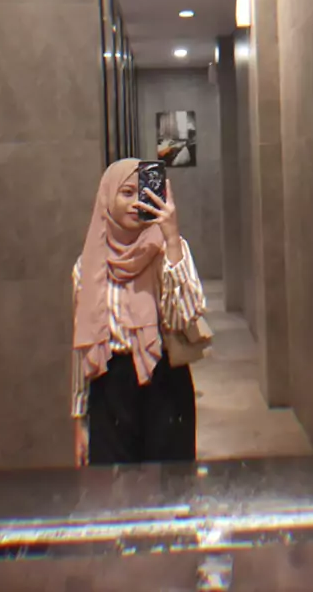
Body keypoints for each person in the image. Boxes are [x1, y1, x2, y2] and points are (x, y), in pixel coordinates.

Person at [71, 158, 207, 466]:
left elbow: (185, 316)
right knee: (113, 488)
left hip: (165, 382)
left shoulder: (168, 251)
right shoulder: (86, 267)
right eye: (126, 193)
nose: (135, 202)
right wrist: (79, 418)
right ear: (108, 198)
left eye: (142, 193)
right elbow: (82, 345)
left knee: (172, 486)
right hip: (109, 387)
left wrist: (171, 238)